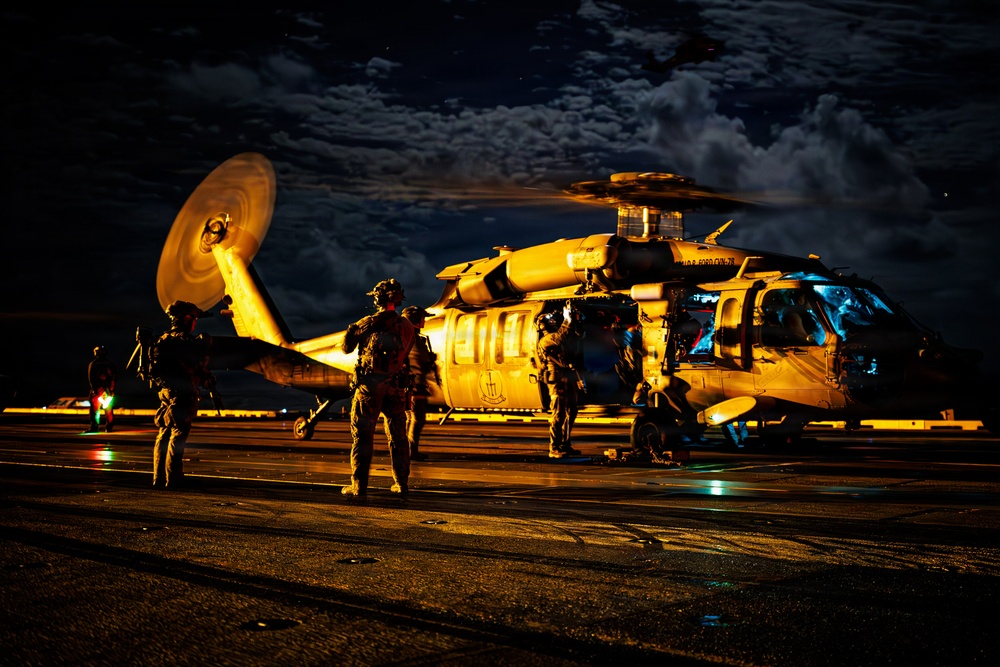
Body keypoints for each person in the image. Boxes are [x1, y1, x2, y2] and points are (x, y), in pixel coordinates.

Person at [341, 279, 416, 498]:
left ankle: (359, 486)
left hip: (369, 388)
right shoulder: (407, 326)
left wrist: (352, 330)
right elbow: (406, 352)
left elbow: (346, 348)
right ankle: (401, 483)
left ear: (377, 299)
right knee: (399, 437)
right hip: (395, 388)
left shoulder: (368, 323)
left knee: (362, 436)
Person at [149, 301, 215, 489]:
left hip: (165, 393)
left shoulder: (162, 339)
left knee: (163, 434)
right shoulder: (186, 342)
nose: (195, 322)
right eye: (194, 318)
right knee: (178, 435)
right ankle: (174, 478)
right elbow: (197, 366)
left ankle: (159, 478)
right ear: (187, 319)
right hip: (182, 394)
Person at [536, 304, 584, 459]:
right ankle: (554, 447)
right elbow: (560, 336)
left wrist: (575, 320)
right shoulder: (546, 340)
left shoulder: (561, 338)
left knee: (572, 411)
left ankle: (565, 444)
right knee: (559, 414)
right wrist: (567, 320)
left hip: (566, 378)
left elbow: (577, 336)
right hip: (556, 381)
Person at [401, 305, 438, 462]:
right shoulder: (412, 340)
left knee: (413, 418)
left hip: (413, 385)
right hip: (414, 386)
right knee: (417, 418)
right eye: (422, 318)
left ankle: (409, 450)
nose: (424, 321)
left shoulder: (411, 338)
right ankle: (411, 450)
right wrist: (429, 361)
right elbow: (417, 362)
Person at [87, 345, 117, 433]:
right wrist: (112, 389)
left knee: (95, 409)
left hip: (97, 389)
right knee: (109, 409)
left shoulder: (93, 364)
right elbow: (114, 377)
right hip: (108, 389)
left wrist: (94, 390)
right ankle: (109, 427)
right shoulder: (110, 364)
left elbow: (91, 378)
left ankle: (95, 427)